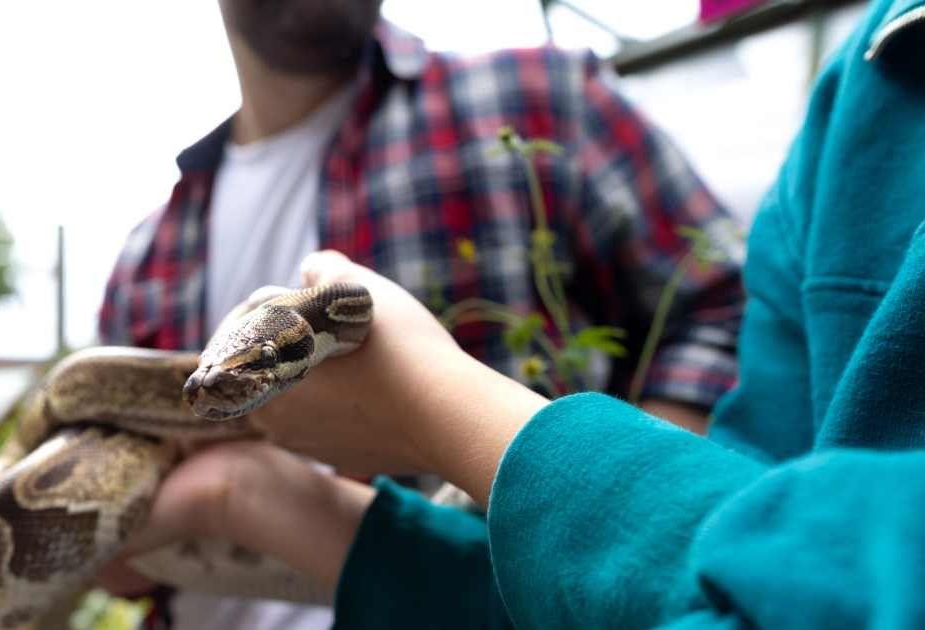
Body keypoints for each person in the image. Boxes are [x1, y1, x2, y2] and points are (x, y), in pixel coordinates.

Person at [102, 0, 925, 627]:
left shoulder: (538, 96)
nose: (221, 386)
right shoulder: (149, 247)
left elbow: (717, 298)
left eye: (244, 371)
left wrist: (615, 498)